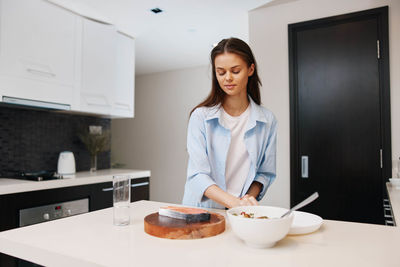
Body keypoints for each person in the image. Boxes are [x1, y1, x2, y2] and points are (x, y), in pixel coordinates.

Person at [182, 37, 277, 209]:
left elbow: (264, 173)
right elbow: (197, 175)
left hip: (239, 211)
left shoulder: (267, 120)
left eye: (235, 71)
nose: (228, 78)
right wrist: (234, 203)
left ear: (250, 69)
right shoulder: (200, 117)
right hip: (201, 211)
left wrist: (246, 201)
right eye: (221, 72)